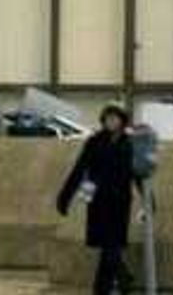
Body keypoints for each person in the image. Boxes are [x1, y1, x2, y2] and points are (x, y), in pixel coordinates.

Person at [54, 103, 140, 295]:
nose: (111, 121)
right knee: (108, 245)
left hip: (120, 202)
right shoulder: (94, 142)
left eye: (115, 118)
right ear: (103, 120)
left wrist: (148, 200)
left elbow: (138, 174)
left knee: (111, 246)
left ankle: (108, 286)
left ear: (122, 120)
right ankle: (120, 279)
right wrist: (65, 196)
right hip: (98, 201)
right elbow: (79, 169)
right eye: (108, 118)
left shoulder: (130, 144)